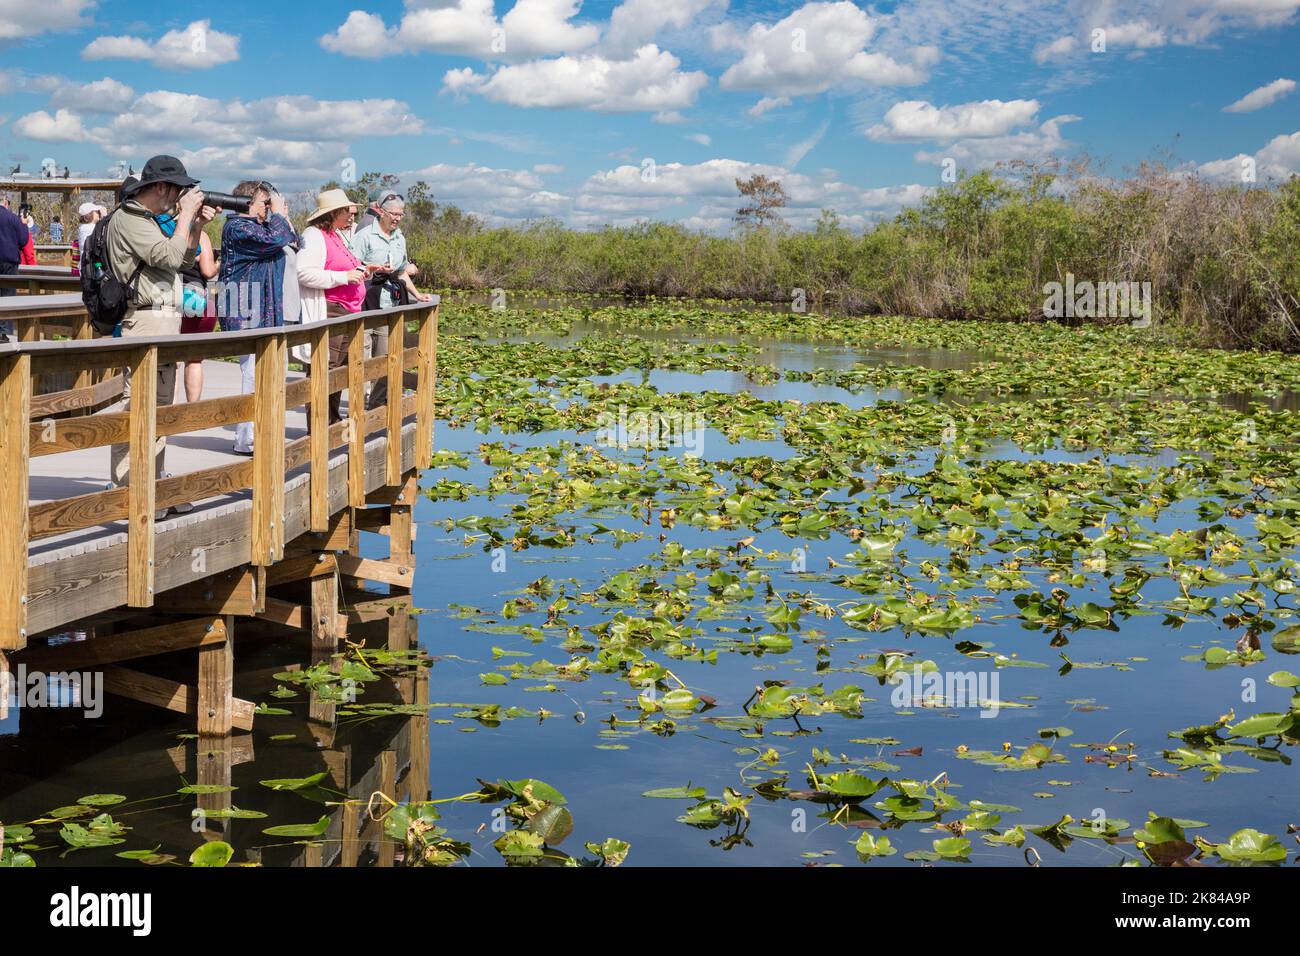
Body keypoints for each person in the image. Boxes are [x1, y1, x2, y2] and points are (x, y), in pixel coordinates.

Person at [105, 155, 215, 516]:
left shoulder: (152, 222)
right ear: (161, 187)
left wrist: (195, 226)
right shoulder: (128, 219)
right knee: (137, 407)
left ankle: (151, 488)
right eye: (177, 189)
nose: (179, 196)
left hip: (167, 321)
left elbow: (184, 261)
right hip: (146, 321)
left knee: (159, 412)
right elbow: (167, 259)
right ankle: (127, 493)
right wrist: (184, 217)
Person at [218, 180, 299, 454]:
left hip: (265, 311)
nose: (268, 208)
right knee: (252, 374)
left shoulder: (258, 227)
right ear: (248, 203)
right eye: (264, 203)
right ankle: (246, 440)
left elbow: (290, 240)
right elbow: (277, 239)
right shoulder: (237, 228)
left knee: (268, 374)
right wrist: (278, 214)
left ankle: (262, 433)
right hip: (246, 311)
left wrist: (278, 216)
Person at [350, 194, 433, 410]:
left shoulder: (400, 238)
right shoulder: (365, 236)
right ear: (382, 212)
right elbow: (350, 268)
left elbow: (402, 272)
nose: (397, 218)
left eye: (400, 214)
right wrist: (372, 269)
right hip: (366, 301)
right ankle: (356, 408)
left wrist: (417, 294)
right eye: (393, 214)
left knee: (385, 359)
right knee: (362, 359)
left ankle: (376, 408)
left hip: (390, 306)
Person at [297, 188, 367, 424]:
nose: (351, 214)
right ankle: (319, 426)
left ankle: (332, 422)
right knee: (325, 369)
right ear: (334, 212)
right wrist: (344, 278)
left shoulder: (335, 235)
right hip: (331, 310)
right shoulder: (314, 235)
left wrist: (361, 272)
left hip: (347, 311)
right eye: (347, 210)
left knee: (338, 372)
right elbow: (304, 273)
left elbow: (342, 267)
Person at [175, 224, 219, 403]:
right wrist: (219, 264)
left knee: (171, 362)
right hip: (196, 300)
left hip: (169, 297)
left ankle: (167, 414)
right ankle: (192, 412)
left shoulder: (164, 229)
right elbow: (208, 271)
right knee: (194, 360)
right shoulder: (201, 235)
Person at [0, 199, 31, 338]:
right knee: (8, 296)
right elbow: (24, 240)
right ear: (5, 203)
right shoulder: (13, 218)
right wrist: (24, 225)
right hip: (9, 261)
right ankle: (4, 332)